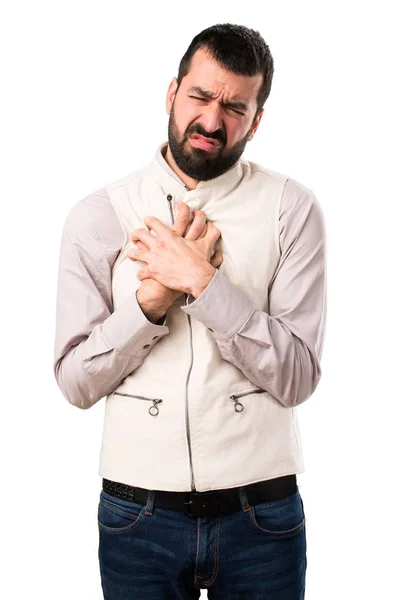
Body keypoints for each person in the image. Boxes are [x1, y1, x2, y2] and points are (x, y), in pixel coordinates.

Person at [53, 23, 326, 599]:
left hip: (264, 512)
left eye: (234, 107)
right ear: (172, 92)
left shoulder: (291, 209)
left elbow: (298, 376)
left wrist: (204, 284)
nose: (212, 121)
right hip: (135, 515)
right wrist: (150, 304)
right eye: (201, 97)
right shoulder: (98, 215)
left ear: (256, 120)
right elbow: (75, 383)